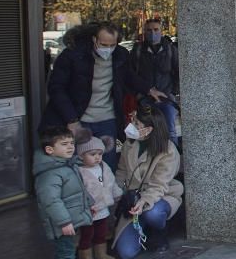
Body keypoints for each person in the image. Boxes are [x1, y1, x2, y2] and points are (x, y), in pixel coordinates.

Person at [42, 23, 167, 170]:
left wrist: (149, 90)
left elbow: (129, 76)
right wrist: (71, 119)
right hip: (79, 120)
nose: (107, 49)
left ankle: (107, 191)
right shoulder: (73, 56)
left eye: (112, 45)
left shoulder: (120, 54)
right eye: (103, 44)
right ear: (94, 39)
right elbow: (57, 88)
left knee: (107, 164)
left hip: (107, 120)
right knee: (79, 165)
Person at [112, 106, 184, 258]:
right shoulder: (129, 144)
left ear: (149, 129)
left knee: (153, 213)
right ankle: (142, 229)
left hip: (160, 195)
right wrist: (116, 194)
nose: (131, 126)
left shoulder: (168, 150)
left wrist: (145, 201)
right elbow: (122, 172)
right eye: (133, 121)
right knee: (126, 252)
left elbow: (159, 184)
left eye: (137, 124)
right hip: (133, 199)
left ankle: (160, 231)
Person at [34, 127, 97, 259]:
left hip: (69, 218)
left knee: (63, 251)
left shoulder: (66, 165)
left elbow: (78, 191)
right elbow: (51, 201)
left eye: (71, 143)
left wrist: (89, 204)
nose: (70, 147)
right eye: (64, 144)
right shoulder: (50, 173)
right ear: (50, 150)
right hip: (63, 222)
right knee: (66, 253)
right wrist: (64, 222)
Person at [129, 17, 180, 147]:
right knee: (147, 133)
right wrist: (140, 95)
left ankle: (172, 162)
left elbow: (178, 72)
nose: (153, 33)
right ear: (144, 32)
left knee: (170, 132)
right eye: (149, 30)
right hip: (145, 99)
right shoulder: (138, 51)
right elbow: (132, 75)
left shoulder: (170, 49)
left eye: (156, 30)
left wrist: (172, 92)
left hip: (166, 99)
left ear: (161, 31)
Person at [75, 134, 121, 259]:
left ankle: (101, 254)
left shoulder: (103, 166)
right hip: (88, 210)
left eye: (100, 154)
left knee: (101, 232)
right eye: (92, 154)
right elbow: (77, 192)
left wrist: (117, 193)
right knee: (86, 234)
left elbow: (111, 182)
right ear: (81, 155)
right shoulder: (79, 171)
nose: (97, 157)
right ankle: (85, 258)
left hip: (103, 208)